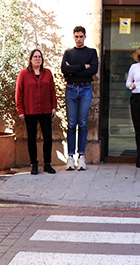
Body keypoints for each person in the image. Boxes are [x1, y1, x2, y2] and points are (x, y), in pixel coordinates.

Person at [60, 26, 99, 171]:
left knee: (82, 123)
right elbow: (64, 70)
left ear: (85, 37)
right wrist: (83, 66)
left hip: (85, 88)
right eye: (76, 36)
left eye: (81, 36)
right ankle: (70, 157)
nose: (79, 39)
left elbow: (93, 70)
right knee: (71, 124)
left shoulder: (91, 52)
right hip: (71, 88)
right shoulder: (68, 53)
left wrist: (73, 70)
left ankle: (81, 156)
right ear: (73, 37)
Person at [15, 49, 57, 175]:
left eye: (40, 57)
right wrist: (20, 109)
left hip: (45, 110)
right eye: (35, 57)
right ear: (30, 59)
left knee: (48, 137)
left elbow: (52, 91)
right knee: (32, 138)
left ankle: (47, 164)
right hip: (30, 110)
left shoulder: (48, 73)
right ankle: (34, 164)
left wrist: (54, 107)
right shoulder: (23, 74)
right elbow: (19, 93)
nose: (38, 59)